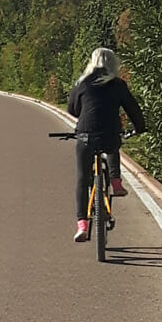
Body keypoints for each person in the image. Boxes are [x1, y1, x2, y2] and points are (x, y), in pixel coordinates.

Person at [68, 46, 145, 242]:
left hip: (86, 135)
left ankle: (82, 225)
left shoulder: (82, 83)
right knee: (112, 144)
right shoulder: (118, 84)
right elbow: (133, 109)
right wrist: (140, 128)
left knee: (82, 179)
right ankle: (116, 181)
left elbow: (73, 109)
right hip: (110, 134)